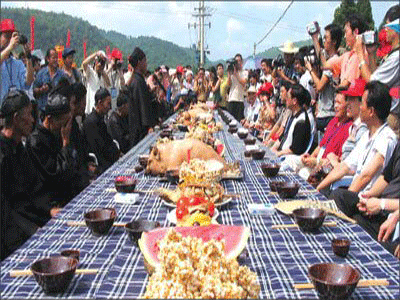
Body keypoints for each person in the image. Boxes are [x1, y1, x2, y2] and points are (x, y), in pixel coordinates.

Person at [317, 81, 397, 193]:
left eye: (362, 103)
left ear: (371, 111)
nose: (359, 107)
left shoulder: (387, 138)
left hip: (367, 201)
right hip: (353, 193)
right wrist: (317, 189)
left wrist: (344, 200)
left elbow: (366, 176)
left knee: (336, 195)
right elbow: (344, 167)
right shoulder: (366, 136)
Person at [0, 90, 50, 260]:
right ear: (15, 118)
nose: (32, 120)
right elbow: (5, 211)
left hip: (30, 222)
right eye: (29, 115)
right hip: (12, 237)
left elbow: (35, 187)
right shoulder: (2, 155)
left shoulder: (20, 147)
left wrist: (50, 210)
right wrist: (32, 230)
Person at [331, 139, 400, 255]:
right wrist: (368, 196)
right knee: (339, 196)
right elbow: (386, 178)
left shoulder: (387, 138)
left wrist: (382, 204)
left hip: (391, 213)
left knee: (355, 225)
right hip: (381, 209)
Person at [27, 89, 76, 216]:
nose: (66, 127)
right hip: (50, 203)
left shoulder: (58, 132)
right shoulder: (36, 142)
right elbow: (57, 174)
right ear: (50, 119)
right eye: (63, 122)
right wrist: (65, 143)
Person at [285, 92, 352, 180]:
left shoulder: (349, 128)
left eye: (339, 103)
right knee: (288, 161)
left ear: (348, 106)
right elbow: (320, 146)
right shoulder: (333, 121)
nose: (335, 106)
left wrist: (316, 162)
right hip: (316, 161)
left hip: (325, 168)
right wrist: (310, 157)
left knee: (303, 173)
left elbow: (338, 161)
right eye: (335, 102)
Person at [307, 23, 343, 132]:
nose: (324, 40)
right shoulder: (329, 60)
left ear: (334, 41)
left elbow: (319, 86)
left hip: (329, 115)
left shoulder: (333, 61)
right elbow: (320, 55)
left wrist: (310, 70)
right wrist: (314, 38)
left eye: (326, 37)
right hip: (324, 114)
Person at [324, 13, 368, 90]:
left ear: (355, 32)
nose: (344, 36)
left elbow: (345, 85)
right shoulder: (347, 55)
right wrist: (315, 38)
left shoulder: (359, 56)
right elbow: (325, 65)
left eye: (346, 32)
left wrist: (336, 90)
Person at [83, 87, 120, 174]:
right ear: (100, 103)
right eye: (108, 104)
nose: (110, 107)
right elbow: (99, 149)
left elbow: (108, 140)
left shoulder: (100, 119)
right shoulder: (91, 122)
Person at [127, 47, 157, 147]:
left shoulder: (138, 79)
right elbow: (142, 107)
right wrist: (148, 127)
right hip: (139, 132)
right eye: (145, 61)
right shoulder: (137, 81)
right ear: (139, 62)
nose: (146, 64)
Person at [272, 84, 312, 157]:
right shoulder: (291, 115)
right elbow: (282, 137)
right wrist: (272, 149)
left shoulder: (301, 122)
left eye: (288, 97)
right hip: (281, 153)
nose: (285, 99)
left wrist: (278, 153)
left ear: (294, 101)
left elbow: (295, 150)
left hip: (290, 158)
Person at [1, 19, 34, 103]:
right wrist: (10, 47)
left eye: (12, 36)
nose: (10, 39)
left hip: (16, 110)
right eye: (6, 36)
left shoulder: (17, 63)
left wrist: (28, 57)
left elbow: (28, 82)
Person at [33, 48, 67, 116]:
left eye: (56, 58)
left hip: (57, 110)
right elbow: (34, 90)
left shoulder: (62, 75)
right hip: (43, 110)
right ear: (48, 59)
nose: (55, 60)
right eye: (53, 58)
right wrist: (41, 90)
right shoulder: (41, 73)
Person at [82, 50, 111, 114]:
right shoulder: (90, 72)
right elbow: (84, 63)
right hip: (91, 107)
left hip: (101, 108)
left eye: (103, 63)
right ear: (95, 62)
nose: (100, 65)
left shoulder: (103, 75)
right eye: (99, 62)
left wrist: (102, 70)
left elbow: (108, 83)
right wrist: (96, 54)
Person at [107, 86, 130, 154]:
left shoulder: (125, 116)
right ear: (123, 106)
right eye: (128, 106)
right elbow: (121, 141)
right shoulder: (114, 120)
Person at [227, 53, 248, 121]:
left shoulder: (245, 72)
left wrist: (236, 74)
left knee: (239, 121)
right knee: (230, 121)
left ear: (241, 61)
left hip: (240, 100)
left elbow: (243, 82)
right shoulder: (232, 72)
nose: (238, 63)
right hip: (231, 98)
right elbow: (229, 84)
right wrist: (229, 74)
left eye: (239, 61)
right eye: (236, 61)